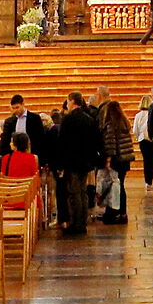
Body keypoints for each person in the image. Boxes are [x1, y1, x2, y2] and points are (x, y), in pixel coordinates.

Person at [56, 92, 104, 235]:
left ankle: (77, 224)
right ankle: (82, 221)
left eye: (68, 102)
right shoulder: (89, 119)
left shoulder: (68, 120)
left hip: (72, 162)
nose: (67, 105)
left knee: (74, 193)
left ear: (72, 101)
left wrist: (60, 164)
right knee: (83, 192)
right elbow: (96, 140)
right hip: (86, 161)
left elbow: (62, 143)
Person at [99, 98, 135, 222]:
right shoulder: (125, 123)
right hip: (125, 159)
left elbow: (110, 143)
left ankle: (113, 212)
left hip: (115, 159)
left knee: (114, 186)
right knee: (121, 186)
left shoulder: (110, 125)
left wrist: (108, 159)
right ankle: (123, 213)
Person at [133, 96, 153, 190]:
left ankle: (148, 182)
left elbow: (135, 130)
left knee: (147, 162)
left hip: (144, 141)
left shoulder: (138, 115)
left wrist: (138, 137)